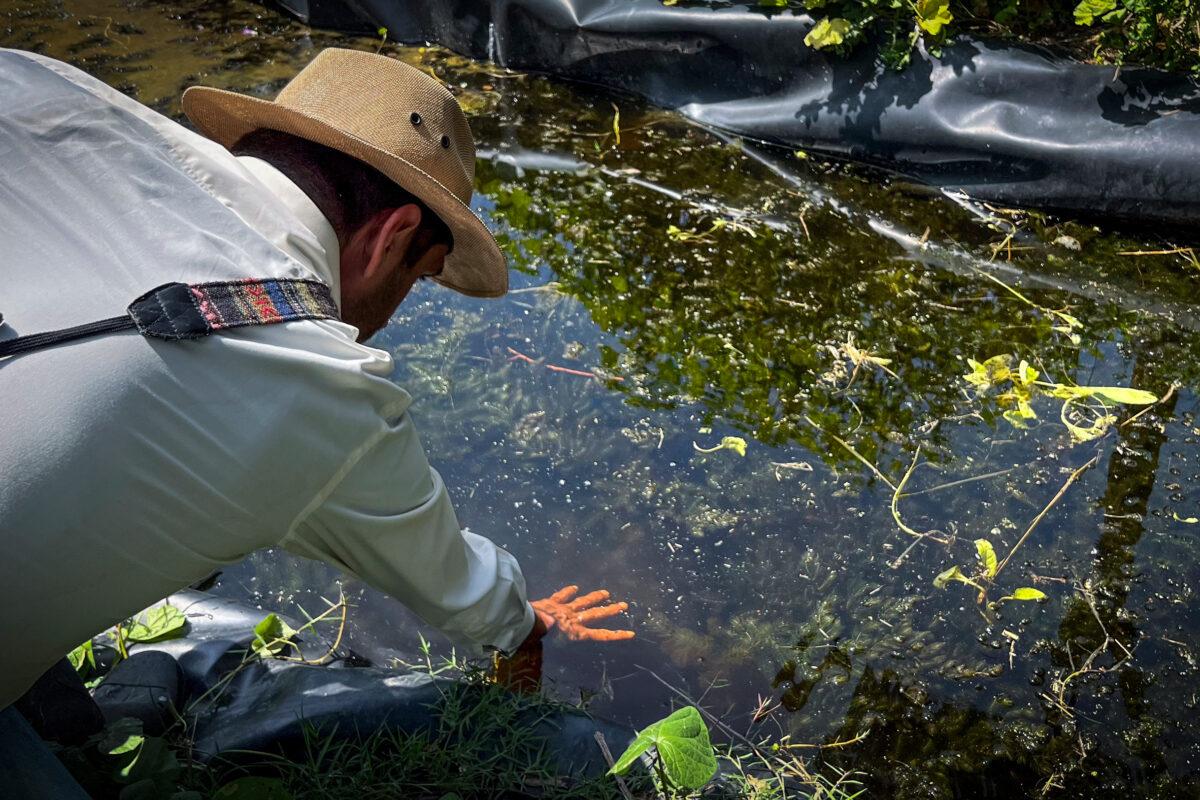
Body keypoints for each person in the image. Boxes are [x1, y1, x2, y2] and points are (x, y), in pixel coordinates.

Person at [0, 45, 633, 776]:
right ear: (393, 235)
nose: (395, 313)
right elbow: (468, 596)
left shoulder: (32, 88)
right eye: (419, 278)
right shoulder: (320, 385)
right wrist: (524, 629)